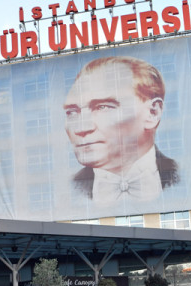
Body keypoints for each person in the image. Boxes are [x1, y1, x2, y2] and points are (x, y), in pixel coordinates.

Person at [63, 56, 179, 203]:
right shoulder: (67, 191)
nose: (81, 128)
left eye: (102, 107)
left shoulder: (186, 176)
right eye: (71, 112)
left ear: (152, 112)